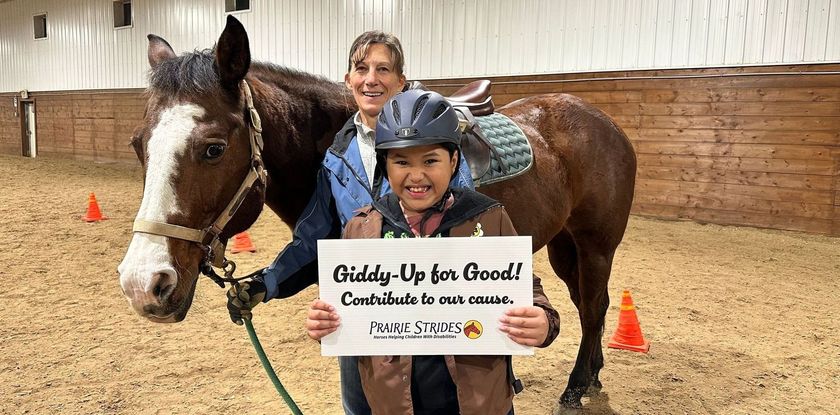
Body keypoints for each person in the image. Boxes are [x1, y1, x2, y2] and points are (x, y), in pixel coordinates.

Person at [226, 31, 473, 414]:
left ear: (400, 82)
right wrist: (266, 282)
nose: (371, 79)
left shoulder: (435, 148)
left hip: (431, 321)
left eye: (383, 69)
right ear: (348, 80)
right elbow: (314, 237)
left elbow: (466, 222)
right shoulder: (336, 156)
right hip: (363, 321)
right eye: (362, 69)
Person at [305, 90, 561, 414]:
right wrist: (325, 324)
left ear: (453, 161)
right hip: (394, 404)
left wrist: (543, 320)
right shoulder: (361, 229)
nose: (416, 176)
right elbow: (347, 310)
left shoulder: (488, 218)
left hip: (476, 403)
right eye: (401, 162)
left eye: (430, 161)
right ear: (385, 165)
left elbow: (527, 289)